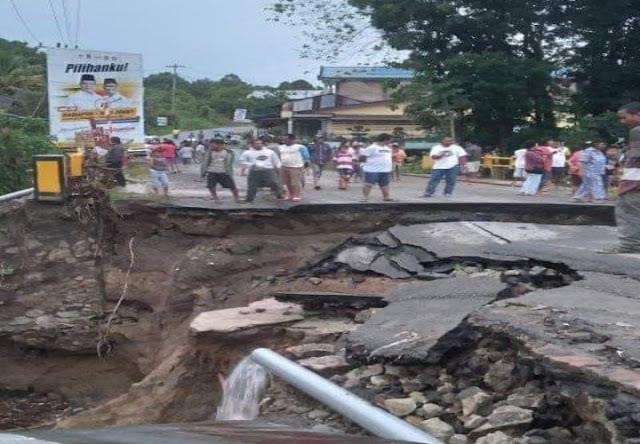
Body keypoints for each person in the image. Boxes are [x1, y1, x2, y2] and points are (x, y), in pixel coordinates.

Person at [598, 103, 640, 253]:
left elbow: (636, 160)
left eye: (624, 117)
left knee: (627, 211)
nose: (622, 121)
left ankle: (630, 245)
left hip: (635, 182)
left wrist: (628, 182)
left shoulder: (637, 131)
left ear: (637, 114)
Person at [241, 139, 283, 203]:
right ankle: (249, 199)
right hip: (254, 171)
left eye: (260, 143)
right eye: (257, 143)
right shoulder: (247, 153)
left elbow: (276, 161)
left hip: (268, 170)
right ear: (252, 145)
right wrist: (251, 165)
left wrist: (278, 167)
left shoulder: (269, 152)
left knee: (275, 182)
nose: (259, 145)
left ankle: (279, 195)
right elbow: (242, 161)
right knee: (252, 185)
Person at [361, 133, 393, 202]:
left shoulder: (387, 148)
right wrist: (364, 165)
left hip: (385, 170)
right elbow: (363, 157)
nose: (390, 142)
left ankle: (386, 197)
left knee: (385, 184)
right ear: (385, 140)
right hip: (372, 170)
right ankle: (365, 197)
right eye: (389, 140)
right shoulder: (372, 147)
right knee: (368, 184)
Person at [278, 134, 310, 202]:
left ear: (292, 139)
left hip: (296, 166)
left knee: (295, 182)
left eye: (286, 139)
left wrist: (304, 165)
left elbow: (306, 156)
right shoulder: (281, 147)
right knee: (287, 182)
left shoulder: (300, 147)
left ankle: (296, 195)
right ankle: (290, 194)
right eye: (283, 139)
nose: (284, 141)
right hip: (284, 166)